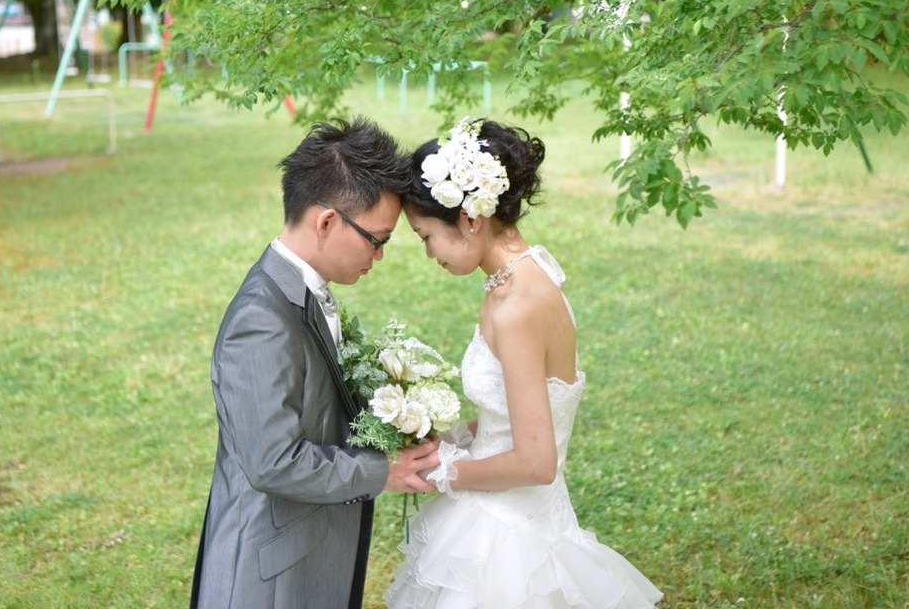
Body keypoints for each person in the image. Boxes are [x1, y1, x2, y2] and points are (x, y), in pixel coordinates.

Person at [386, 117, 663, 608]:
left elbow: (536, 462)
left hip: (510, 540)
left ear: (471, 219)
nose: (427, 252)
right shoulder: (524, 274)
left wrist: (444, 472)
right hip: (511, 515)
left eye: (425, 235)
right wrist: (453, 436)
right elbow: (520, 413)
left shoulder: (518, 306)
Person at [189, 117, 439, 609]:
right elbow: (272, 462)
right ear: (326, 221)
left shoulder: (302, 291)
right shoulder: (260, 320)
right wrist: (380, 470)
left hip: (306, 558)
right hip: (267, 580)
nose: (380, 255)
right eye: (378, 239)